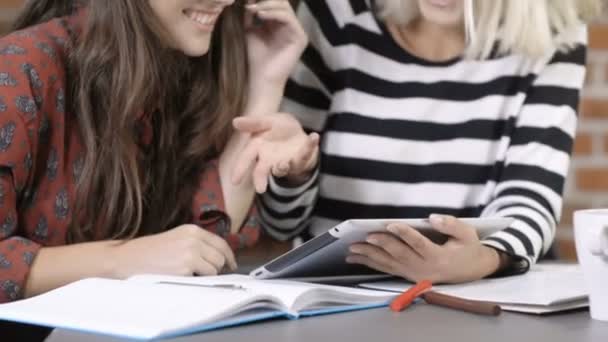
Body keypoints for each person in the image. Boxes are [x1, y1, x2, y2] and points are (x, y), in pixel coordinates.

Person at [0, 0, 320, 303]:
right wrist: (121, 259)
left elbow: (204, 242)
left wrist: (266, 82)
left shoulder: (183, 67)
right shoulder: (21, 66)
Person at [259, 0, 601, 283]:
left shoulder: (552, 36)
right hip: (329, 297)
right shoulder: (334, 15)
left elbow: (530, 200)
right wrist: (295, 175)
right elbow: (280, 223)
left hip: (466, 298)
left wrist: (482, 259)